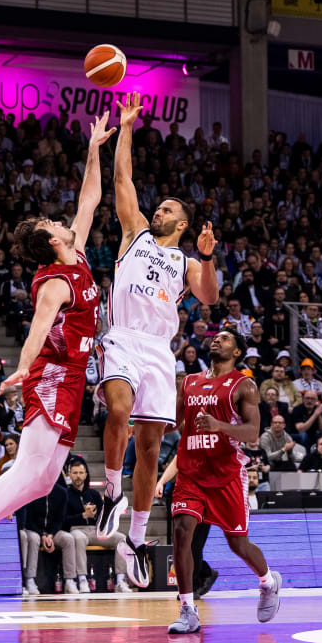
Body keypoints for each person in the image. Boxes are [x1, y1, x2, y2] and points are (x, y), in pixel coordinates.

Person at [0, 112, 114, 597]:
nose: (63, 220)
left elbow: (90, 198)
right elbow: (36, 330)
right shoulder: (54, 282)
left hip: (73, 379)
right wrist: (20, 369)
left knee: (42, 481)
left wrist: (94, 148)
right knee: (30, 470)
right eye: (56, 223)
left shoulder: (74, 256)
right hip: (52, 375)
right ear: (54, 240)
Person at [97, 93, 219, 590]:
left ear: (183, 224)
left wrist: (208, 259)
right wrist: (126, 128)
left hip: (158, 351)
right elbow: (122, 180)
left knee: (149, 448)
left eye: (168, 208)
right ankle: (109, 492)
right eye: (160, 207)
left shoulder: (186, 262)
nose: (160, 210)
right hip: (123, 338)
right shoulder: (136, 235)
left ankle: (137, 538)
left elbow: (208, 298)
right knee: (119, 412)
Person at [167, 328, 280, 634]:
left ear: (237, 352)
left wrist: (218, 425)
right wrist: (138, 429)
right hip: (191, 472)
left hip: (226, 474)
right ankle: (188, 609)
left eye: (226, 338)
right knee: (181, 531)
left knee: (238, 544)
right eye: (216, 337)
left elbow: (253, 433)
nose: (217, 339)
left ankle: (268, 581)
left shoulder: (244, 385)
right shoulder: (189, 382)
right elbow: (173, 423)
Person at [65, 459, 130, 593]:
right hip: (76, 529)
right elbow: (62, 520)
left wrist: (95, 516)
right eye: (75, 472)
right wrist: (83, 516)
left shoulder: (93, 494)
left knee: (121, 538)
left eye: (81, 472)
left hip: (95, 530)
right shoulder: (66, 494)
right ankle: (82, 579)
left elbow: (103, 516)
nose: (78, 476)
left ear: (86, 474)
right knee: (78, 539)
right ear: (69, 475)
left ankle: (121, 580)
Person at [23, 479, 76, 595]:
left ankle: (70, 580)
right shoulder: (32, 491)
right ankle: (30, 579)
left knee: (68, 539)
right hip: (34, 530)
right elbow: (28, 519)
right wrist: (42, 535)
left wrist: (51, 535)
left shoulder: (61, 492)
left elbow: (60, 519)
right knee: (33, 539)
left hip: (53, 532)